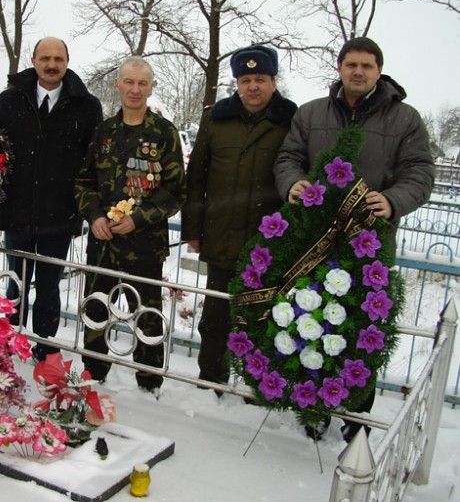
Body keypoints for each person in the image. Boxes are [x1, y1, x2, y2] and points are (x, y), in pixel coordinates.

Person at [274, 37, 435, 441]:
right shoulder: (311, 114)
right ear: (340, 67)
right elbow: (288, 157)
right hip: (315, 242)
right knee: (312, 324)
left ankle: (356, 418)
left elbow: (420, 171)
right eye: (351, 65)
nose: (358, 72)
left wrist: (394, 199)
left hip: (369, 248)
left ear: (379, 71)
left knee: (360, 333)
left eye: (367, 65)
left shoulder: (405, 119)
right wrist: (294, 183)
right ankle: (314, 409)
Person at [0, 37, 103, 362]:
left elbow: (95, 159)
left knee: (49, 287)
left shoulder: (86, 106)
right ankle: (8, 343)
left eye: (58, 58)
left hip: (59, 215)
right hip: (18, 209)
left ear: (67, 61)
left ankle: (45, 348)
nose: (51, 64)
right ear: (34, 60)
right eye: (45, 57)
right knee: (14, 283)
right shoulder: (10, 100)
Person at [181, 45, 297, 391]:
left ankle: (256, 389)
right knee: (215, 318)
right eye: (246, 80)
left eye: (260, 79)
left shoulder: (291, 121)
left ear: (273, 81)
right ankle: (210, 383)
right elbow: (196, 178)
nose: (253, 87)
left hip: (269, 244)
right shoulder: (216, 119)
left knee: (263, 321)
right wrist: (193, 229)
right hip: (221, 237)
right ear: (237, 83)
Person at [74, 56, 186, 394]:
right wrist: (93, 217)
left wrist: (138, 218)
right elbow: (83, 181)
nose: (135, 89)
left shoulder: (164, 133)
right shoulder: (103, 132)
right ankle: (93, 371)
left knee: (147, 312)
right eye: (129, 82)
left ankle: (149, 380)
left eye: (143, 83)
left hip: (144, 244)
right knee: (96, 305)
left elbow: (175, 192)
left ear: (151, 88)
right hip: (103, 240)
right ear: (118, 84)